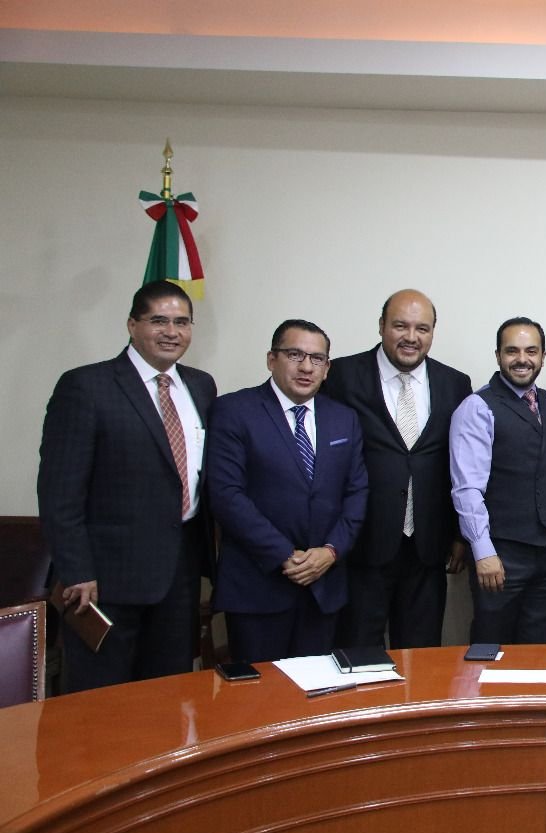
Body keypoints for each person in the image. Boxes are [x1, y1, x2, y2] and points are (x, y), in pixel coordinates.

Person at [38, 281, 217, 692]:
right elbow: (59, 492)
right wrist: (77, 571)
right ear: (132, 325)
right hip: (105, 580)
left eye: (182, 322)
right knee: (101, 701)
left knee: (166, 695)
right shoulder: (86, 386)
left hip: (180, 574)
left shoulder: (201, 386)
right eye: (159, 321)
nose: (171, 332)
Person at [206, 320, 368, 662]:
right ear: (271, 359)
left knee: (318, 689)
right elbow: (226, 495)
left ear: (327, 369)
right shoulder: (234, 411)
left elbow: (356, 493)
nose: (306, 367)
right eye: (295, 355)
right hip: (258, 586)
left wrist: (331, 551)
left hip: (324, 586)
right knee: (259, 691)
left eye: (317, 359)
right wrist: (284, 554)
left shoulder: (344, 418)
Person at [323, 290, 472, 649]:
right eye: (400, 326)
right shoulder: (341, 376)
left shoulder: (455, 384)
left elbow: (459, 465)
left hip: (427, 547)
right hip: (361, 544)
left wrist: (459, 534)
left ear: (433, 332)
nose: (411, 337)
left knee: (422, 656)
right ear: (381, 326)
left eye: (422, 328)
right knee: (359, 655)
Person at [450, 317, 546, 644]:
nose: (522, 359)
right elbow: (467, 488)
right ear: (498, 355)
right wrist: (482, 551)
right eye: (512, 351)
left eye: (531, 351)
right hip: (500, 554)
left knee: (541, 651)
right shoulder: (477, 407)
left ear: (543, 356)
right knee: (492, 649)